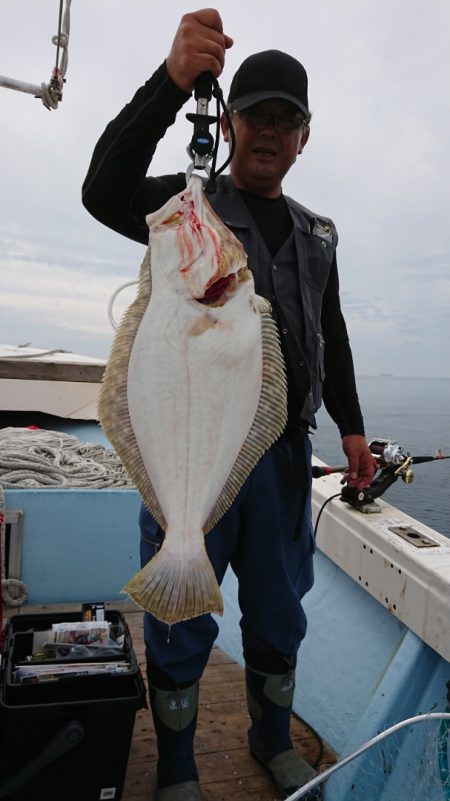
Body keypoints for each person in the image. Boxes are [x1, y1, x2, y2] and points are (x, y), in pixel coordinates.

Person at [82, 9, 375, 801]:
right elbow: (100, 188)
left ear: (305, 136)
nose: (269, 132)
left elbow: (331, 330)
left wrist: (349, 424)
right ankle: (178, 766)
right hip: (192, 446)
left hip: (282, 462)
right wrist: (171, 82)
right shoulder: (187, 215)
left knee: (281, 615)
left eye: (286, 119)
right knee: (180, 621)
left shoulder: (319, 234)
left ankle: (271, 739)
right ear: (231, 122)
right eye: (255, 116)